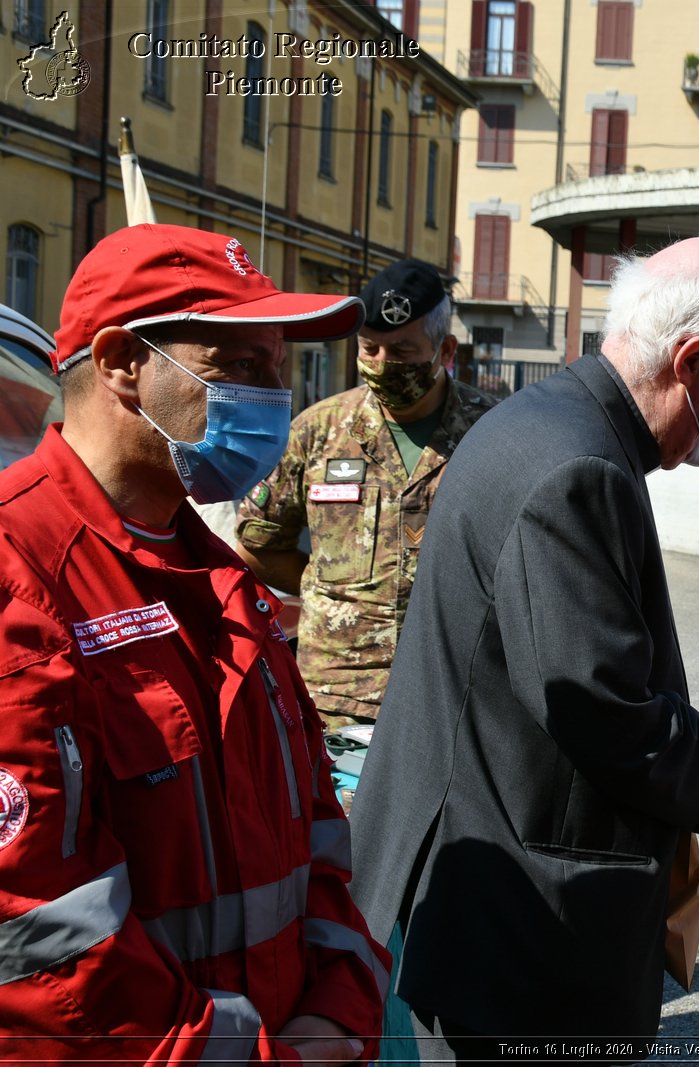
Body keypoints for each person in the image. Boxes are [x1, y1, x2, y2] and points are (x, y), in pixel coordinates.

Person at [349, 236, 699, 1062]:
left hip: (482, 894)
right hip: (518, 928)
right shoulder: (577, 468)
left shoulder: (545, 421)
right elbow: (602, 708)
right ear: (695, 360)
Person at [0, 224, 388, 1063]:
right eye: (238, 366)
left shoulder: (227, 583)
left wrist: (340, 1009)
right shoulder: (18, 575)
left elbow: (317, 840)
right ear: (118, 364)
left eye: (279, 370)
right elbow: (39, 938)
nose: (271, 399)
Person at [236, 259, 497, 729]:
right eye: (370, 349)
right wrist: (331, 594)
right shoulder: (318, 431)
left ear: (446, 349)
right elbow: (259, 542)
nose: (382, 365)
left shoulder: (495, 431)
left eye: (401, 350)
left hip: (456, 693)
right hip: (336, 695)